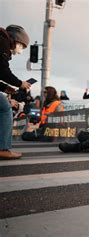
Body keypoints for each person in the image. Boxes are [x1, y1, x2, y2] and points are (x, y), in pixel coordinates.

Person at [0, 25, 32, 159]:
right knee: (5, 109)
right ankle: (3, 148)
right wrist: (20, 83)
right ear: (16, 39)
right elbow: (2, 70)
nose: (20, 50)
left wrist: (4, 88)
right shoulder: (2, 42)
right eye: (22, 46)